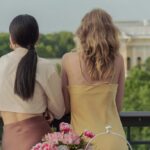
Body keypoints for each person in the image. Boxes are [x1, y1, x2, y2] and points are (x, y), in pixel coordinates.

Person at [61, 9, 128, 150]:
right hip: (114, 139)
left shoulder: (68, 60)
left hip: (83, 142)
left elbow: (65, 107)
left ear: (82, 32)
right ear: (111, 32)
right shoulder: (119, 60)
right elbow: (118, 106)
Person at [0, 14, 65, 150]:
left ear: (11, 38)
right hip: (39, 140)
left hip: (9, 141)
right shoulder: (46, 66)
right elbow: (59, 111)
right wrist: (46, 110)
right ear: (37, 38)